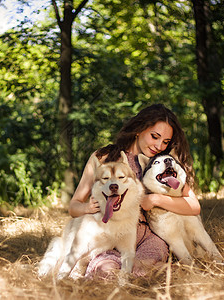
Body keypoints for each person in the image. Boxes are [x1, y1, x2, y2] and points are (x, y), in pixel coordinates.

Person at [68, 103, 201, 278]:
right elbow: (73, 207)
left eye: (166, 142)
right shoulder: (104, 157)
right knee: (106, 271)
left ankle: (154, 272)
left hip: (149, 238)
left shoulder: (160, 165)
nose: (160, 145)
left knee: (146, 268)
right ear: (139, 129)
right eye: (155, 136)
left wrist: (155, 200)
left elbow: (193, 206)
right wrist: (87, 208)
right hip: (110, 238)